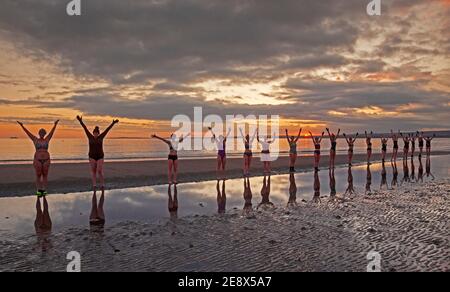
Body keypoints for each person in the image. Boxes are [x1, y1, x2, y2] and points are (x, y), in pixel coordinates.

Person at [18, 120, 59, 196]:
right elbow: (28, 133)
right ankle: (39, 190)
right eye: (41, 133)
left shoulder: (47, 139)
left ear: (44, 134)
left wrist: (55, 125)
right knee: (38, 175)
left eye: (43, 133)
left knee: (45, 176)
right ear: (39, 133)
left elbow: (52, 133)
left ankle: (44, 190)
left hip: (46, 160)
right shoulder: (35, 139)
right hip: (38, 160)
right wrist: (22, 126)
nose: (42, 134)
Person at [77, 116, 119, 191]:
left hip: (100, 156)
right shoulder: (90, 137)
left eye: (97, 133)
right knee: (93, 171)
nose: (95, 134)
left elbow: (107, 130)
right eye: (94, 133)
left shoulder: (101, 137)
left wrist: (113, 123)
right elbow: (85, 128)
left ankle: (102, 185)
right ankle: (94, 185)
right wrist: (80, 121)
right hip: (92, 156)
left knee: (99, 171)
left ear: (98, 133)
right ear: (93, 133)